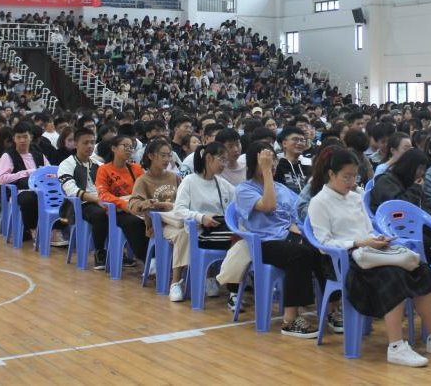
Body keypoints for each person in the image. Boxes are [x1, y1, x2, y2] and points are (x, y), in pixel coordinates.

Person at [308, 149, 431, 368]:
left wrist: (378, 239)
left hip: (371, 254)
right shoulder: (319, 202)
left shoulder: (356, 196)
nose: (351, 182)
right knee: (393, 275)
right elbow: (323, 243)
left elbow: (368, 230)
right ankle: (396, 346)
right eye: (346, 177)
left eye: (354, 176)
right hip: (345, 263)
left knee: (422, 269)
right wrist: (357, 243)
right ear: (331, 174)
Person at [234, 141, 324, 338]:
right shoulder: (244, 190)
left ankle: (331, 309)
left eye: (273, 160)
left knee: (321, 250)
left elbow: (298, 214)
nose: (272, 165)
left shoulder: (281, 187)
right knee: (299, 255)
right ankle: (290, 320)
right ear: (253, 163)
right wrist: (266, 173)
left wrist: (300, 229)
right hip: (264, 243)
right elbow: (268, 205)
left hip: (289, 237)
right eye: (265, 161)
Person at [168, 142, 238, 304]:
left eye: (226, 161)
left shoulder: (222, 183)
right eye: (221, 160)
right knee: (238, 242)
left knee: (242, 240)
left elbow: (238, 201)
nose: (224, 165)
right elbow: (179, 210)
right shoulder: (190, 181)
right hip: (198, 232)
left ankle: (233, 289)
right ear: (208, 158)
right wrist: (201, 217)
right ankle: (177, 283)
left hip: (219, 229)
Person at [0, 121, 66, 246]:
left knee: (61, 196)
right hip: (20, 191)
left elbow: (49, 170)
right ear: (14, 138)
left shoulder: (38, 153)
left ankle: (56, 230)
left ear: (31, 137)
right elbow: (2, 178)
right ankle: (34, 230)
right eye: (19, 137)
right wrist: (26, 173)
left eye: (25, 137)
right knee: (30, 199)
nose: (22, 140)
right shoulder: (8, 156)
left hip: (42, 189)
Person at [129, 139, 182, 290]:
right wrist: (145, 204)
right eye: (163, 156)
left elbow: (184, 199)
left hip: (176, 219)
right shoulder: (143, 181)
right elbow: (133, 204)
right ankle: (176, 279)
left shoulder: (174, 177)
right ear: (151, 156)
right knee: (183, 234)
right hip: (158, 227)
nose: (167, 160)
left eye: (169, 156)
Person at [57, 127, 109, 269]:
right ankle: (99, 252)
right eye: (85, 143)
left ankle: (119, 250)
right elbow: (71, 191)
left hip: (103, 200)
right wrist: (96, 199)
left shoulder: (99, 164)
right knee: (100, 214)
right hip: (79, 205)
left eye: (92, 142)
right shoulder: (67, 164)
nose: (90, 146)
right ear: (76, 144)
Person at [95, 135, 150, 265]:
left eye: (131, 147)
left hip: (137, 207)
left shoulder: (136, 168)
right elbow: (103, 194)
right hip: (117, 211)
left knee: (153, 220)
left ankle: (156, 259)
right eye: (125, 146)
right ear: (114, 148)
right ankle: (147, 259)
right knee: (134, 223)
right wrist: (125, 205)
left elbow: (145, 188)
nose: (129, 149)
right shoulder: (104, 169)